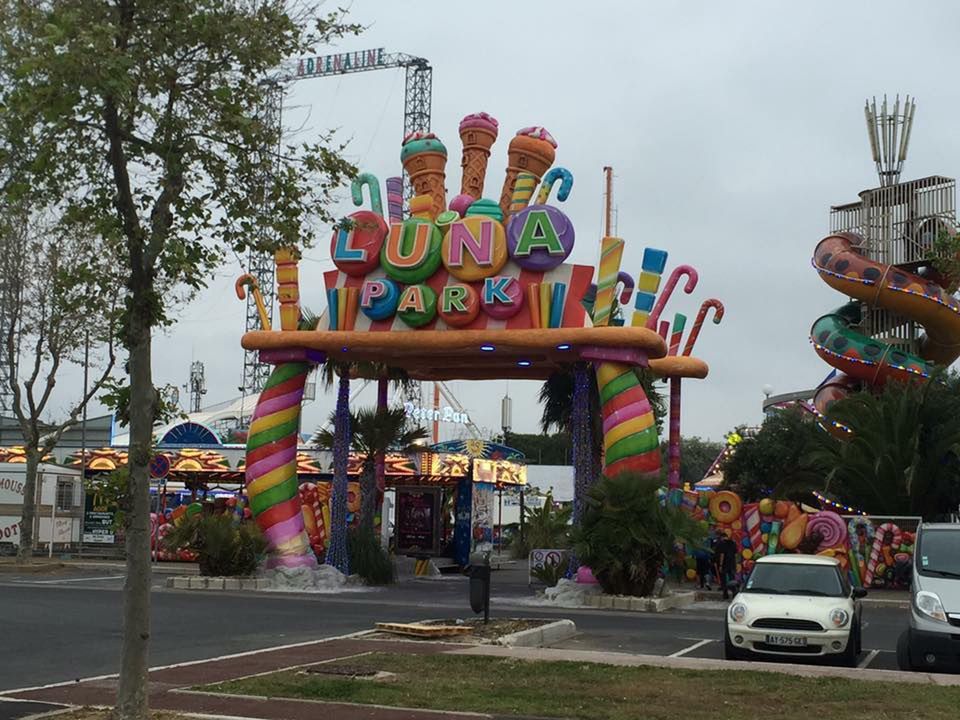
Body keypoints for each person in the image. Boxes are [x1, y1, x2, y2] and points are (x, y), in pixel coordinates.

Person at [714, 530, 739, 600]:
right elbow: (736, 554)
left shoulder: (721, 543)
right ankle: (734, 593)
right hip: (732, 563)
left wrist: (721, 565)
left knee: (723, 579)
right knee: (732, 578)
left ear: (722, 537)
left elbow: (722, 554)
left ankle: (725, 594)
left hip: (725, 564)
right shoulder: (733, 543)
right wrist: (736, 564)